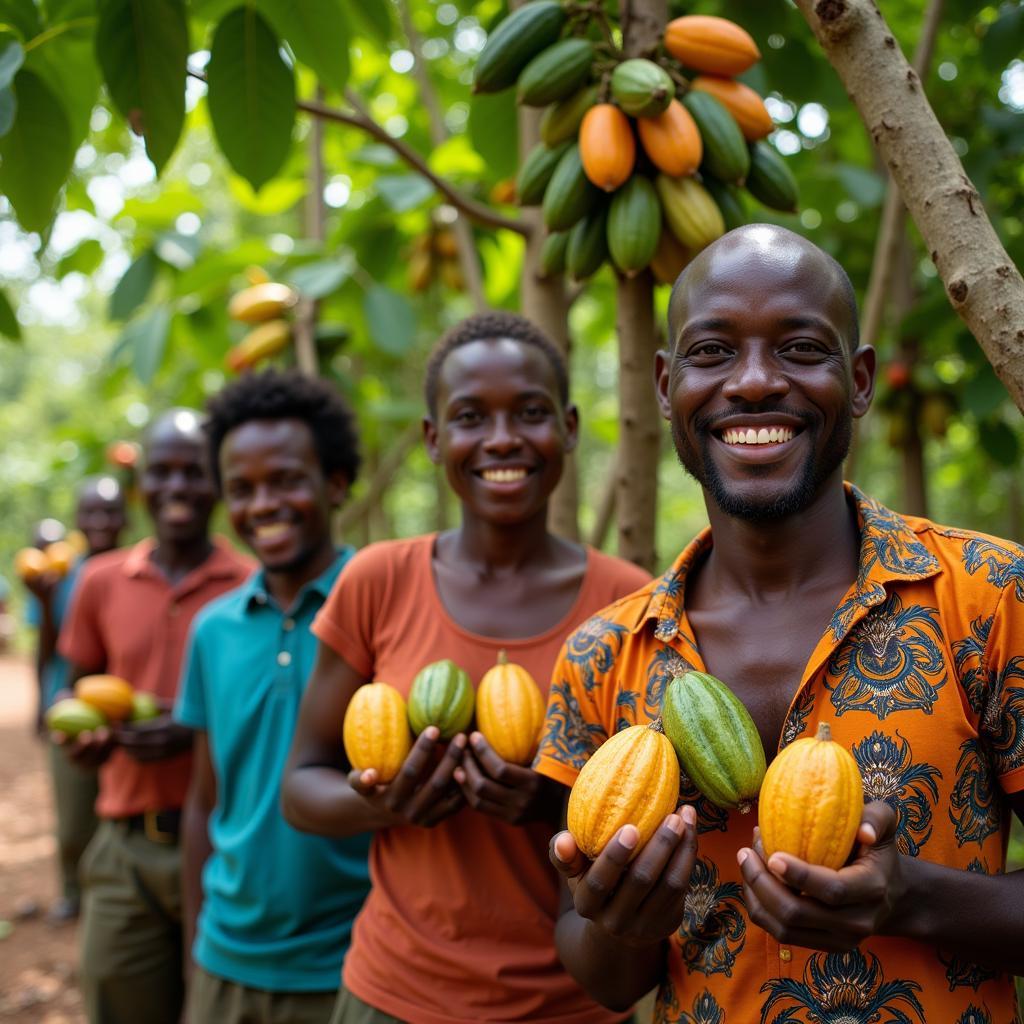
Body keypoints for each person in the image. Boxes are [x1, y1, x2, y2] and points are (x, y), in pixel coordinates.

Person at [535, 224, 1024, 1023]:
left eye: (800, 349)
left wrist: (911, 898)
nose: (755, 383)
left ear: (859, 380)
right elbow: (600, 973)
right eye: (712, 352)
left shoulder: (991, 597)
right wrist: (626, 925)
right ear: (665, 387)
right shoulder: (603, 656)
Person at [282, 311, 652, 1024]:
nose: (504, 438)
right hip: (396, 994)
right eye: (471, 417)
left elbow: (652, 808)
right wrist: (385, 805)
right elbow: (300, 787)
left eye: (532, 413)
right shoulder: (377, 579)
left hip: (571, 1004)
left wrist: (549, 804)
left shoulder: (630, 602)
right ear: (433, 439)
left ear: (569, 429)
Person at [175, 370, 372, 1024]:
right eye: (242, 489)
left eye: (286, 480)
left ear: (335, 482)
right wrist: (195, 952)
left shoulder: (383, 608)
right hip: (226, 962)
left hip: (353, 964)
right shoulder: (213, 630)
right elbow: (206, 799)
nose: (263, 505)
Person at [56, 409, 253, 1024]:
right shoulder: (99, 580)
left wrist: (193, 731)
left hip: (229, 848)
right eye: (161, 473)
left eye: (193, 472)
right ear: (141, 484)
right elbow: (74, 695)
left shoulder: (252, 584)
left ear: (218, 482)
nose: (177, 488)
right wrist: (87, 741)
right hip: (126, 845)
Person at [25, 478, 128, 924]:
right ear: (78, 520)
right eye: (91, 512)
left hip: (126, 712)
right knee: (73, 817)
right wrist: (45, 603)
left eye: (110, 511)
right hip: (71, 708)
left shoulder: (142, 571)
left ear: (125, 518)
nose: (100, 522)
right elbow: (48, 649)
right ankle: (74, 889)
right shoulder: (64, 577)